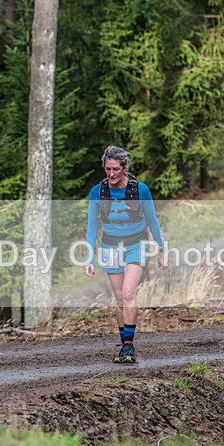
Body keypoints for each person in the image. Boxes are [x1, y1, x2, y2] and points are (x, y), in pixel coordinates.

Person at [84, 145, 166, 364]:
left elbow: (152, 220)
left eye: (115, 170)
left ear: (124, 168)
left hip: (136, 244)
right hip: (110, 247)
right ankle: (124, 345)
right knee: (119, 299)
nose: (111, 174)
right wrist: (88, 257)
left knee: (129, 293)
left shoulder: (141, 190)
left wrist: (161, 248)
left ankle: (129, 347)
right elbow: (92, 227)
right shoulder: (97, 191)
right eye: (107, 169)